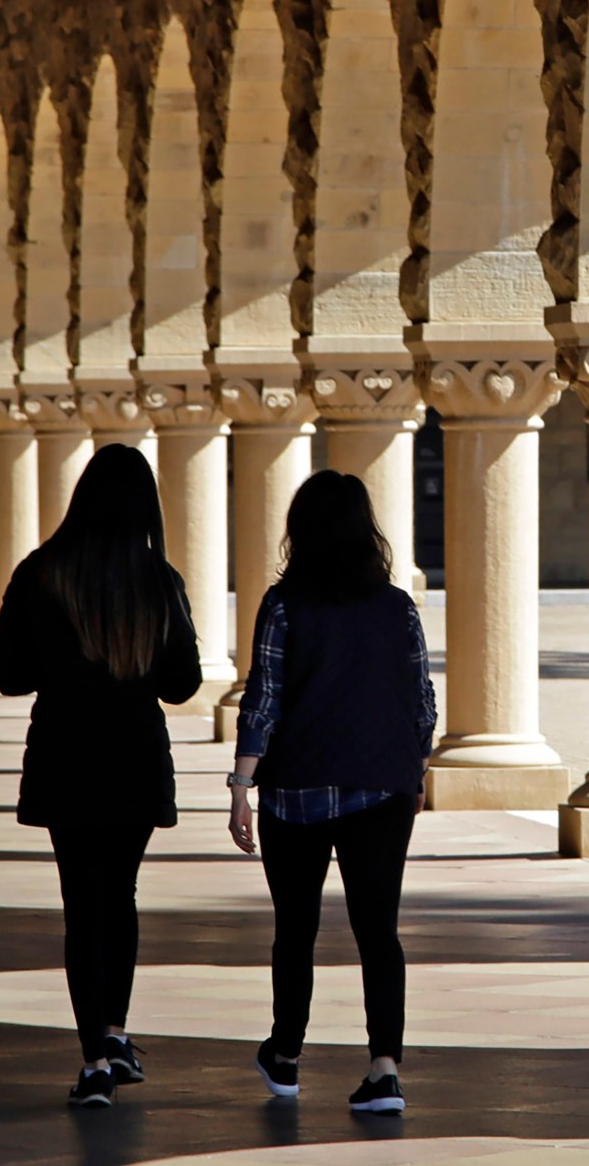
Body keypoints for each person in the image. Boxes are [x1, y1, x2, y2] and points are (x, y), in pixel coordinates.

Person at [0, 444, 204, 1109]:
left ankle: (92, 1062)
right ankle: (115, 1033)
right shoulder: (158, 580)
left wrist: (62, 665)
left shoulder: (42, 572)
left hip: (66, 752)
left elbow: (9, 675)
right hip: (135, 754)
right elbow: (183, 683)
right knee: (123, 893)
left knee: (82, 906)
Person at [229, 470, 436, 1116]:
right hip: (382, 786)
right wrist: (416, 767)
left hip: (296, 791)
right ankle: (383, 1069)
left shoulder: (284, 605)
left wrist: (241, 784)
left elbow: (264, 698)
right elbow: (422, 702)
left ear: (301, 531)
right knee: (380, 930)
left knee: (296, 930)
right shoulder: (396, 607)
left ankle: (286, 1055)